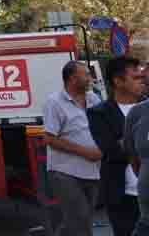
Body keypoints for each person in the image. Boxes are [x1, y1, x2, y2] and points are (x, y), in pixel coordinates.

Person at [44, 60, 103, 236]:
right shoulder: (54, 102)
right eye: (86, 74)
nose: (90, 78)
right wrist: (86, 152)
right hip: (66, 173)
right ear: (72, 78)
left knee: (76, 221)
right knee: (80, 220)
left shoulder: (94, 99)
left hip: (92, 171)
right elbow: (49, 138)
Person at [89, 57, 144, 236]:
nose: (142, 81)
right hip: (122, 195)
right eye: (135, 78)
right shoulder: (99, 113)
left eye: (141, 76)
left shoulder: (147, 108)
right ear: (118, 81)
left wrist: (126, 142)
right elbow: (111, 151)